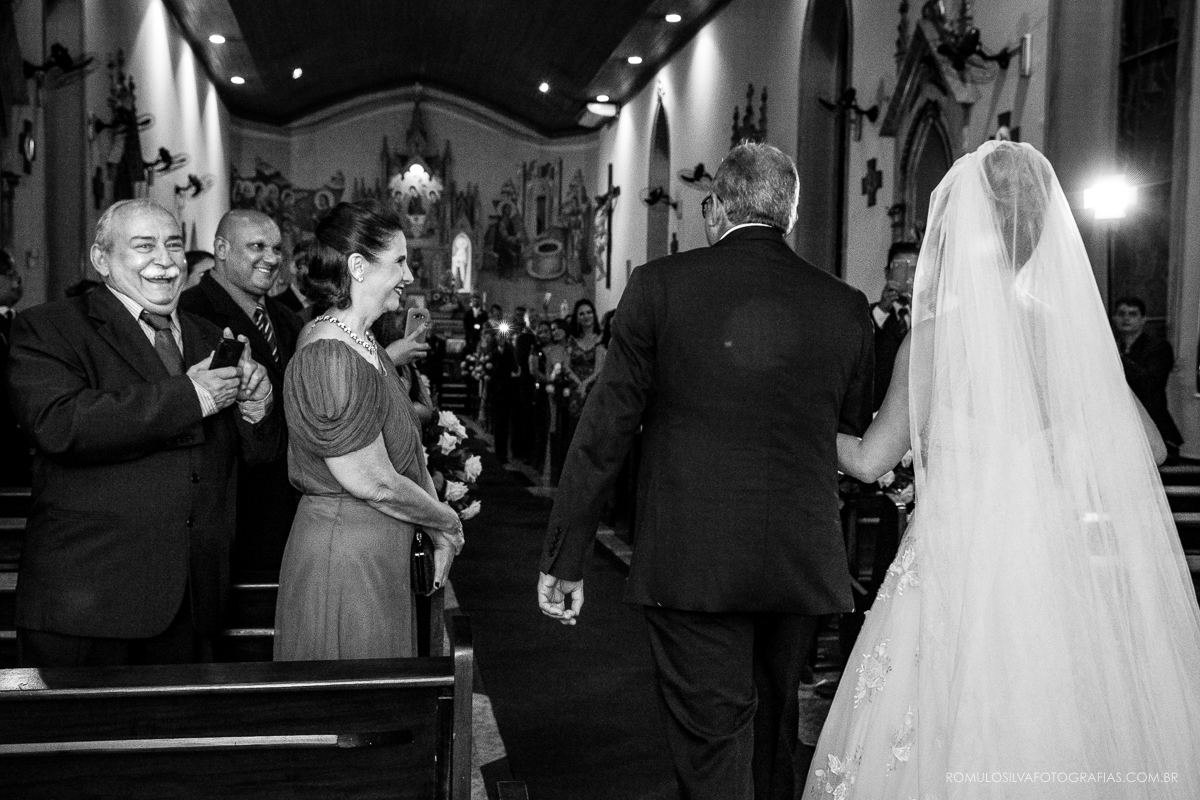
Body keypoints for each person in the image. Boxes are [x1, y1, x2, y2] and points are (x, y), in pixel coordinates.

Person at [805, 141, 1200, 798]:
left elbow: (872, 459)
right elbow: (1153, 450)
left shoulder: (930, 340)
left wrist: (811, 425)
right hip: (1049, 560)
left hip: (954, 562)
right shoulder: (1065, 337)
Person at [537, 142, 875, 800]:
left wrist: (566, 554)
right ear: (792, 215)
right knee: (776, 736)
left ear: (714, 208)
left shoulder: (662, 287)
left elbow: (607, 428)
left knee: (713, 744)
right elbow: (846, 427)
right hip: (799, 561)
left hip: (695, 561)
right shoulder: (845, 305)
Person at [7, 199, 280, 667]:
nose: (166, 260)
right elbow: (60, 424)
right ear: (101, 259)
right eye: (144, 246)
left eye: (174, 245)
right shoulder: (50, 327)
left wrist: (257, 410)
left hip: (195, 603)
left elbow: (250, 459)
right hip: (90, 602)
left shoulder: (213, 336)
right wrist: (194, 396)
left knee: (184, 741)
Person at [274, 200, 463, 661]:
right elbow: (373, 482)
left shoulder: (361, 340)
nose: (410, 275)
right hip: (347, 556)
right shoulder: (331, 354)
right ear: (358, 266)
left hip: (373, 548)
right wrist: (447, 522)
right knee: (352, 715)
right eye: (399, 261)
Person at [179, 210, 305, 574]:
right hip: (230, 506)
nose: (271, 258)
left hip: (284, 500)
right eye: (257, 246)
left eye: (277, 248)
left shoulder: (286, 319)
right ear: (221, 248)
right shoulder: (190, 314)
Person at [1112, 296, 1183, 459]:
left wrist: (1116, 358)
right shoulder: (1113, 345)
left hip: (1154, 425)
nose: (1126, 318)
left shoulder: (1159, 347)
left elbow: (1150, 384)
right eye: (1121, 313)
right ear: (1114, 318)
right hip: (1120, 425)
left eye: (1133, 314)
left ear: (1143, 319)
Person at [871, 241, 919, 411]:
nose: (908, 276)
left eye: (913, 269)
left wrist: (919, 305)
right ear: (888, 273)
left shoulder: (927, 315)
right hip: (878, 407)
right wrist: (883, 308)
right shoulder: (871, 313)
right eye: (900, 269)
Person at [0, 249, 32, 486]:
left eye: (15, 272)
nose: (17, 280)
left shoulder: (28, 323)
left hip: (23, 435)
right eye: (8, 273)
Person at [562, 298, 606, 451]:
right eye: (581, 314)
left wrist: (585, 384)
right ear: (577, 318)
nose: (586, 316)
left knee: (592, 431)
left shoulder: (601, 339)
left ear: (594, 314)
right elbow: (566, 366)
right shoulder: (572, 340)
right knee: (574, 431)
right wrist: (578, 383)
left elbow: (600, 368)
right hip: (575, 389)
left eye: (589, 312)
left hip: (594, 388)